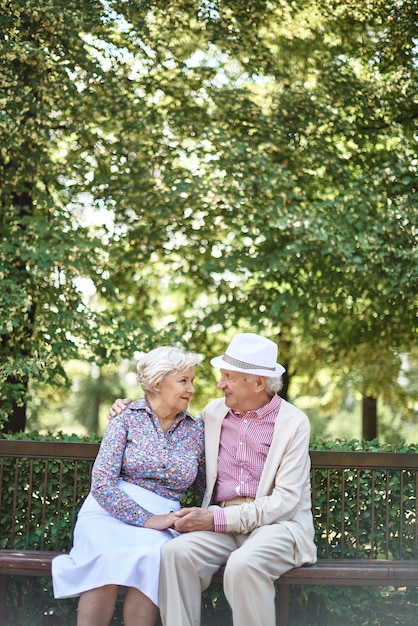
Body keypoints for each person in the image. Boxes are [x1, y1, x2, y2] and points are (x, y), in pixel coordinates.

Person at [109, 332, 317, 626]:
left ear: (258, 382)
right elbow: (165, 416)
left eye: (229, 377)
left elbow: (284, 503)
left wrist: (213, 520)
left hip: (278, 526)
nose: (220, 384)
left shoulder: (293, 423)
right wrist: (129, 408)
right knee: (175, 554)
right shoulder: (213, 414)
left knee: (243, 566)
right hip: (223, 521)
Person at [52, 346, 205, 626]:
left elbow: (210, 486)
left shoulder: (197, 429)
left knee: (154, 555)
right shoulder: (125, 418)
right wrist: (148, 519)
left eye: (191, 380)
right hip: (107, 513)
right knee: (105, 554)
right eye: (184, 381)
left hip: (165, 518)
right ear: (158, 382)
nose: (191, 388)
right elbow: (102, 484)